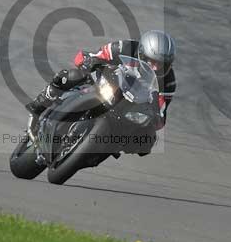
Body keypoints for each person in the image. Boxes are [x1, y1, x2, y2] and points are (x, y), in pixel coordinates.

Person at [26, 30, 176, 153]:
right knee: (72, 75)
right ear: (142, 53)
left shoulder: (168, 82)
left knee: (148, 139)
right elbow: (93, 56)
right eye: (152, 61)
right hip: (107, 83)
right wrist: (88, 61)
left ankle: (106, 147)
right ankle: (40, 104)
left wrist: (154, 117)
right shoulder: (124, 47)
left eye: (162, 64)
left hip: (130, 106)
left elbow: (161, 114)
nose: (155, 68)